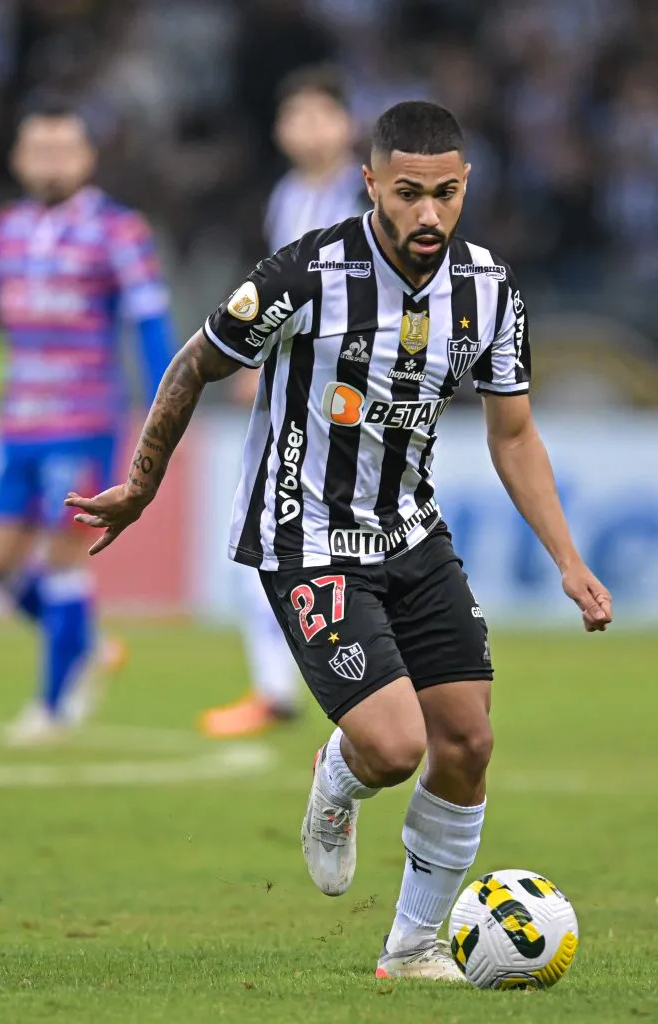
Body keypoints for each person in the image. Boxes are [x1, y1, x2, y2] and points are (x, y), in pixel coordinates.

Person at [66, 101, 612, 980]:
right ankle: (338, 778)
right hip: (305, 537)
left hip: (411, 533)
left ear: (466, 185)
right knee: (394, 748)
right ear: (370, 184)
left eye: (444, 194)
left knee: (467, 742)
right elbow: (196, 361)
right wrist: (141, 483)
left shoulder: (488, 289)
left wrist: (567, 559)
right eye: (407, 193)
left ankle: (412, 946)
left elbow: (512, 433)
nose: (427, 213)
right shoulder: (306, 273)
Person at [0, 98, 176, 745]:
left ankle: (53, 706)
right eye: (39, 149)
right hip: (17, 423)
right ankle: (84, 644)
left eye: (63, 149)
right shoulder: (4, 232)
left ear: (88, 157)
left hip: (83, 417)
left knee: (63, 559)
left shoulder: (118, 231)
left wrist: (165, 406)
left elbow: (150, 323)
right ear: (18, 158)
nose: (51, 162)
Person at [200, 67, 368, 738]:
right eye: (295, 116)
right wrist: (263, 356)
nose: (307, 129)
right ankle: (278, 689)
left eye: (320, 114)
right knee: (265, 533)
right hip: (296, 391)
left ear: (347, 125)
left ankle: (362, 685)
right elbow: (281, 292)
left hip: (352, 391)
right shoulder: (287, 195)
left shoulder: (367, 196)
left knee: (333, 540)